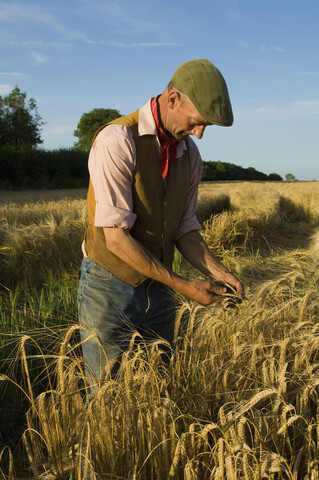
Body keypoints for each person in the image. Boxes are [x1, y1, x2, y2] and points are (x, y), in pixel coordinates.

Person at [78, 59, 244, 385]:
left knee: (160, 380)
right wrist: (184, 286)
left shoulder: (190, 154)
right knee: (108, 390)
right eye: (197, 122)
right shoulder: (117, 139)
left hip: (161, 283)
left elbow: (184, 225)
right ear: (173, 99)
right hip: (109, 283)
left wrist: (220, 273)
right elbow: (115, 238)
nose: (199, 133)